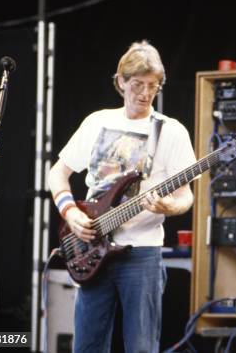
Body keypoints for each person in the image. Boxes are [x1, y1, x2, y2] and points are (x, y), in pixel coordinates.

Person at [48, 40, 196, 353]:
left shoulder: (171, 131)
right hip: (91, 250)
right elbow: (57, 173)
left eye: (153, 86)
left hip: (142, 255)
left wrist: (169, 206)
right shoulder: (98, 122)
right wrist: (71, 213)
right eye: (138, 85)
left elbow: (186, 196)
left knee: (141, 347)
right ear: (121, 82)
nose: (145, 94)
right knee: (87, 346)